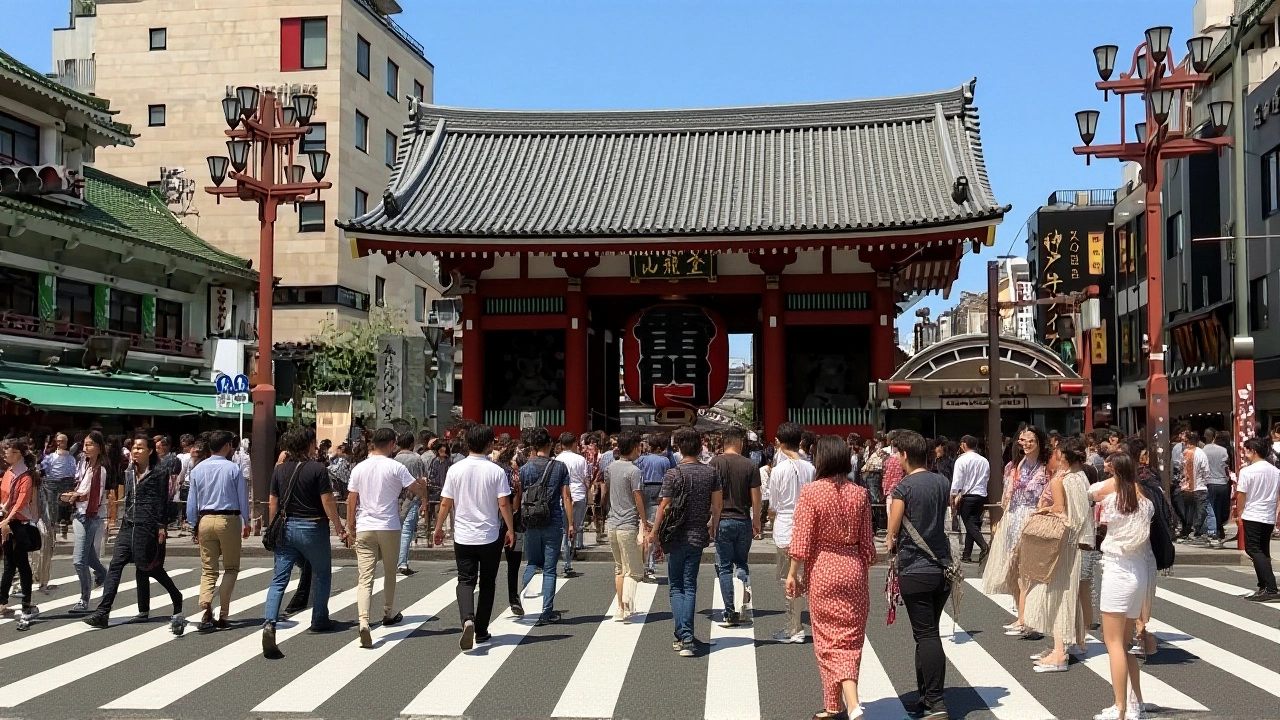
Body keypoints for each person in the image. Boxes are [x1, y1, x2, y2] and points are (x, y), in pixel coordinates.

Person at [786, 436, 876, 720]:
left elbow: (802, 537)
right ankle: (837, 705)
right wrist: (860, 569)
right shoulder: (859, 493)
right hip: (853, 568)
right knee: (850, 640)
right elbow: (869, 546)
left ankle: (846, 704)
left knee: (827, 641)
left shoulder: (812, 492)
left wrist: (792, 573)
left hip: (823, 569)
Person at [84, 434, 186, 635]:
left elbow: (162, 502)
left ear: (150, 451)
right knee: (115, 566)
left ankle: (176, 596)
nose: (136, 451)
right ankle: (103, 612)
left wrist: (161, 526)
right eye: (133, 448)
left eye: (140, 448)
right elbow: (128, 498)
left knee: (149, 568)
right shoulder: (128, 472)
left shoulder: (159, 472)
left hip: (147, 526)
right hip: (128, 525)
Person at [260, 428, 348, 658]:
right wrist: (338, 526)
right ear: (308, 444)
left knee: (279, 579)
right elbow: (327, 500)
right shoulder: (318, 469)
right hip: (312, 527)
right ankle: (319, 618)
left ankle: (270, 622)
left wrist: (273, 527)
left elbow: (273, 502)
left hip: (285, 527)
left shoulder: (279, 470)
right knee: (321, 573)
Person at [885, 430, 952, 720]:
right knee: (927, 633)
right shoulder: (942, 482)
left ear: (904, 455)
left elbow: (892, 531)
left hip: (915, 567)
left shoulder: (903, 488)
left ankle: (936, 701)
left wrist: (889, 541)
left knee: (926, 635)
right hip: (943, 566)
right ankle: (925, 697)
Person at [435, 424, 516, 651]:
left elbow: (445, 502)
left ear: (468, 443)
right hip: (489, 535)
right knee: (488, 583)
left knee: (465, 579)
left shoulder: (455, 469)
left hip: (463, 534)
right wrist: (510, 528)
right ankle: (481, 630)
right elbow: (503, 503)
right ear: (489, 445)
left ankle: (467, 619)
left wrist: (439, 527)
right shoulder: (496, 471)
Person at [347, 428, 428, 649]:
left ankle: (363, 621)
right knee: (390, 572)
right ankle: (388, 612)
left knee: (365, 577)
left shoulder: (359, 468)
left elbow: (351, 499)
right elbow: (417, 489)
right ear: (392, 444)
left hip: (365, 526)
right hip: (389, 526)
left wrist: (350, 525)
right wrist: (423, 487)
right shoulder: (396, 467)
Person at [1090, 453, 1156, 720]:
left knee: (1114, 643)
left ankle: (1120, 708)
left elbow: (1092, 491)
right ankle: (1136, 701)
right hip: (1138, 574)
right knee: (1124, 644)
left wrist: (1111, 482)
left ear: (1115, 474)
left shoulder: (1111, 501)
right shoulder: (1146, 504)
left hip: (1117, 572)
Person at [648, 427, 723, 657]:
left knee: (676, 587)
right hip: (696, 534)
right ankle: (687, 636)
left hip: (673, 535)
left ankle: (683, 634)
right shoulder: (710, 473)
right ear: (700, 447)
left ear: (678, 448)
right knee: (690, 585)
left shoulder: (673, 473)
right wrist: (714, 527)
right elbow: (717, 505)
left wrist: (654, 532)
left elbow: (664, 505)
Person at [1024, 437, 1094, 672]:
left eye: (1058, 452)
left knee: (1057, 594)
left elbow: (1062, 511)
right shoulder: (1081, 477)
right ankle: (1075, 642)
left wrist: (1044, 509)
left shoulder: (1063, 480)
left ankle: (1058, 652)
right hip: (1076, 542)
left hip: (1064, 543)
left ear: (1064, 456)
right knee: (1068, 593)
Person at [982, 426, 1050, 637]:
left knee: (1027, 571)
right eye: (1023, 440)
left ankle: (1028, 618)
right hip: (1012, 518)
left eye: (1031, 440)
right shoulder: (1013, 466)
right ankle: (1021, 615)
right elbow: (1006, 497)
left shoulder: (1045, 468)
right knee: (1013, 570)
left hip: (1031, 519)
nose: (1026, 444)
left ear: (1039, 441)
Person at [185, 430, 251, 632]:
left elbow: (191, 501)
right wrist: (246, 521)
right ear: (226, 446)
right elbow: (242, 497)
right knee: (230, 567)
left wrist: (193, 524)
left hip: (205, 519)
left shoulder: (197, 469)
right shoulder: (233, 469)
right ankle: (223, 612)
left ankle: (205, 605)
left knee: (208, 568)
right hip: (228, 518)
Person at [518, 427, 575, 626]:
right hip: (553, 520)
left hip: (530, 521)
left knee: (532, 563)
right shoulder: (559, 467)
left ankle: (522, 599)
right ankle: (546, 611)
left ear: (533, 447)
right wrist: (571, 524)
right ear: (550, 445)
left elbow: (520, 496)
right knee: (550, 569)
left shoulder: (525, 469)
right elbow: (566, 496)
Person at [709, 427, 761, 626]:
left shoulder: (715, 463)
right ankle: (744, 603)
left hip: (723, 519)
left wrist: (713, 522)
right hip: (742, 520)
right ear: (739, 442)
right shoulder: (750, 465)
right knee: (741, 562)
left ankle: (729, 611)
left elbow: (714, 499)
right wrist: (756, 521)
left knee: (723, 568)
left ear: (724, 442)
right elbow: (756, 499)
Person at [768, 421, 816, 643]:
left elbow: (774, 505)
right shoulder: (811, 467)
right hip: (808, 527)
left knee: (790, 576)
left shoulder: (778, 470)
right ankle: (797, 624)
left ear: (779, 442)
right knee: (802, 575)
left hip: (786, 525)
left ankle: (794, 627)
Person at [61, 430, 108, 613]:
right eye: (85, 444)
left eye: (90, 444)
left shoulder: (100, 470)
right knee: (88, 557)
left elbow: (94, 497)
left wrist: (76, 497)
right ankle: (105, 574)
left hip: (90, 516)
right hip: (80, 514)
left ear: (99, 448)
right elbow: (81, 487)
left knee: (79, 561)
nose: (85, 448)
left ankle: (84, 598)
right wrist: (74, 495)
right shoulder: (84, 465)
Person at [603, 430, 646, 621]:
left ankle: (620, 607)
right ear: (635, 447)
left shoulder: (610, 467)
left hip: (612, 522)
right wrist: (644, 522)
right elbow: (638, 498)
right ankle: (627, 605)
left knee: (619, 568)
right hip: (628, 523)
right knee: (634, 570)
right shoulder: (634, 471)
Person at [0, 438, 41, 626]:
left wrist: (7, 520)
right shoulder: (9, 473)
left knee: (21, 564)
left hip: (20, 524)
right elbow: (5, 499)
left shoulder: (26, 475)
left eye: (7, 450)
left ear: (17, 453)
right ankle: (2, 602)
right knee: (9, 563)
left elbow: (22, 502)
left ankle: (27, 604)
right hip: (7, 522)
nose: (4, 453)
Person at [1235, 437, 1279, 602]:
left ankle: (1270, 587)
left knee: (1253, 550)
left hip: (1253, 514)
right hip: (1268, 515)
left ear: (1253, 451)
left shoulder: (1248, 471)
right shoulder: (1275, 471)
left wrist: (1239, 513)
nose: (1245, 454)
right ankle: (1264, 585)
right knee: (1262, 550)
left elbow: (1241, 494)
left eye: (1247, 450)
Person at [37, 432, 76, 594]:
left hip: (65, 485)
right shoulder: (50, 457)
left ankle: (64, 523)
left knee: (64, 510)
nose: (60, 444)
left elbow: (73, 472)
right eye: (58, 441)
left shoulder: (71, 458)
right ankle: (55, 524)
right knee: (49, 516)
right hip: (50, 486)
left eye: (63, 441)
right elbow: (43, 469)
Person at [635, 432, 674, 580]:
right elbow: (668, 479)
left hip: (643, 489)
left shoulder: (641, 460)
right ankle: (650, 562)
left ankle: (645, 560)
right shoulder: (664, 461)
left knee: (644, 525)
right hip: (659, 490)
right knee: (653, 526)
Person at [393, 433, 431, 576]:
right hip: (412, 497)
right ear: (411, 444)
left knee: (397, 530)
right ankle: (402, 562)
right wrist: (424, 500)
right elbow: (421, 481)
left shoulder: (394, 459)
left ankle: (394, 560)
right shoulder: (416, 459)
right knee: (407, 530)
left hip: (396, 498)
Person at [949, 435, 990, 564]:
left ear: (964, 444)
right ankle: (967, 553)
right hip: (981, 494)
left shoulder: (961, 460)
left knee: (969, 523)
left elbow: (957, 481)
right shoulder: (984, 460)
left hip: (968, 495)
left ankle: (984, 546)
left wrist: (953, 495)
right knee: (974, 524)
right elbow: (986, 478)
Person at [556, 432, 589, 577]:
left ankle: (567, 562)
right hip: (579, 493)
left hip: (563, 496)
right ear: (574, 443)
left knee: (565, 529)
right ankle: (573, 550)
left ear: (561, 445)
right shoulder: (581, 459)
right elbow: (586, 479)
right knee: (576, 526)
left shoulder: (557, 459)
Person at [1200, 429, 1232, 549]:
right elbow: (1226, 466)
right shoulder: (1223, 450)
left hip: (1210, 482)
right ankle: (1219, 528)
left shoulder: (1203, 451)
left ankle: (1214, 531)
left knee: (1211, 508)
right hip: (1223, 482)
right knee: (1221, 507)